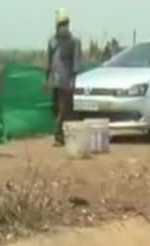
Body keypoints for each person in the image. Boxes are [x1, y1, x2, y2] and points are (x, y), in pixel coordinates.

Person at [46, 8, 82, 147]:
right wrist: (46, 79)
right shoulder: (52, 41)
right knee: (55, 108)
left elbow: (76, 63)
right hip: (55, 80)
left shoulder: (74, 42)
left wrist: (73, 80)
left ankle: (59, 137)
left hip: (66, 81)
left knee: (63, 109)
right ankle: (65, 134)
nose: (63, 27)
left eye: (65, 24)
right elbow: (49, 61)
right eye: (60, 24)